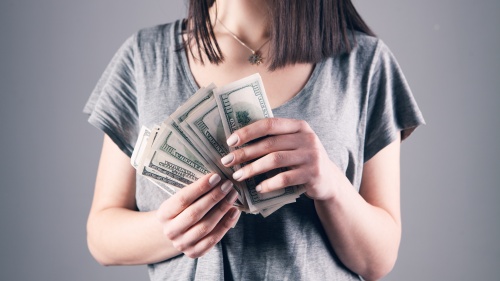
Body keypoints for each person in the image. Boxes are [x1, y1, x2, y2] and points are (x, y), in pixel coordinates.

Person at [84, 0, 425, 280]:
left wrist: (330, 182)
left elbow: (378, 260)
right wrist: (170, 229)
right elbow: (102, 237)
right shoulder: (144, 57)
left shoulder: (364, 62)